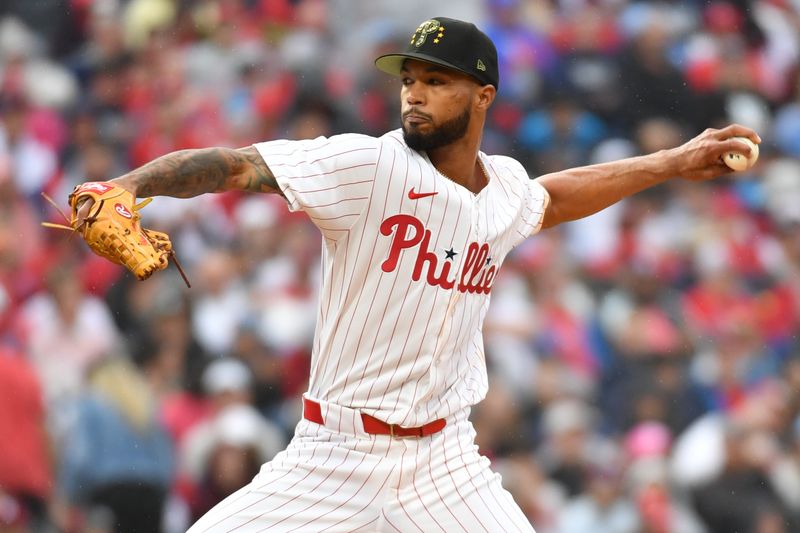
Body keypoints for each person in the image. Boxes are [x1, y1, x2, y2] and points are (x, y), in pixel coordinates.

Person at [74, 16, 760, 532]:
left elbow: (554, 196)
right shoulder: (370, 166)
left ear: (483, 95)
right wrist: (131, 186)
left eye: (436, 80)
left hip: (444, 462)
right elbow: (235, 164)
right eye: (408, 79)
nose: (415, 95)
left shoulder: (503, 192)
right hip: (332, 454)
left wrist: (669, 162)